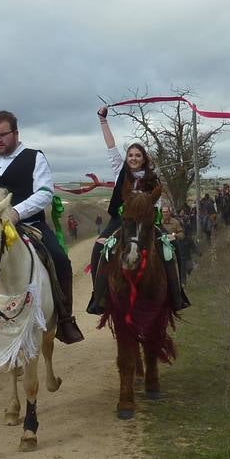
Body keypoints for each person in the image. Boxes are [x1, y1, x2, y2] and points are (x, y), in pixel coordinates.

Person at [0, 110, 84, 345]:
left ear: (16, 133)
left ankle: (65, 320)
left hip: (29, 223)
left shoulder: (34, 157)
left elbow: (45, 193)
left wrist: (17, 212)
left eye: (2, 135)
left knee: (59, 258)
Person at [85, 106, 189, 316]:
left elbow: (157, 204)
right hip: (121, 221)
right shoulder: (119, 170)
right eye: (130, 155)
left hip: (148, 221)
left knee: (172, 248)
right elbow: (111, 146)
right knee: (97, 250)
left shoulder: (152, 178)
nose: (133, 158)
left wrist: (163, 229)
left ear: (143, 158)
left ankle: (177, 294)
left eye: (137, 155)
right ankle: (99, 297)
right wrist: (103, 121)